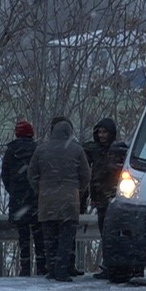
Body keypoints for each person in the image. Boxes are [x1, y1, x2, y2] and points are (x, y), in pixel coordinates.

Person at [29, 119, 90, 282]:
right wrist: (78, 190)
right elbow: (86, 175)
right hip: (70, 201)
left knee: (49, 238)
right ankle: (62, 270)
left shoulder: (41, 150)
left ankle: (51, 269)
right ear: (70, 133)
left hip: (47, 200)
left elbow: (31, 174)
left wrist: (41, 190)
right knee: (66, 238)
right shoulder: (77, 150)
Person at [82, 117, 127, 279]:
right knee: (105, 233)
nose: (101, 135)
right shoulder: (94, 150)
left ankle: (112, 265)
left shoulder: (117, 150)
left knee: (110, 234)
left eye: (105, 132)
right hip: (101, 197)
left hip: (113, 197)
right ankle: (109, 265)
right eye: (99, 132)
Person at [0, 120, 47, 276]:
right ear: (31, 133)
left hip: (19, 199)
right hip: (36, 198)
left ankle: (25, 267)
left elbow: (5, 175)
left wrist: (14, 191)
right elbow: (44, 174)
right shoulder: (38, 150)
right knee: (39, 235)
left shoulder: (11, 151)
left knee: (23, 236)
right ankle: (41, 265)